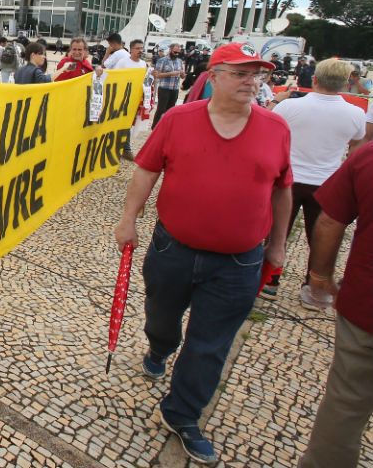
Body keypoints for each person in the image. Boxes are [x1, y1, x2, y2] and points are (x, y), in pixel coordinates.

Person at [114, 42, 292, 466]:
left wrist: (279, 243)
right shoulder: (178, 119)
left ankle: (183, 413)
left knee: (210, 343)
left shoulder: (276, 128)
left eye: (258, 74)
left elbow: (283, 188)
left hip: (238, 261)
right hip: (173, 248)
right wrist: (128, 219)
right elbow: (147, 168)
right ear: (213, 77)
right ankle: (159, 348)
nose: (252, 82)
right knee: (161, 318)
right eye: (241, 73)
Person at [261, 59, 365, 303]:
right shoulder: (355, 114)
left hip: (289, 178)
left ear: (314, 79)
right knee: (320, 238)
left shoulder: (290, 107)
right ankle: (313, 287)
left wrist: (278, 99)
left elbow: (266, 125)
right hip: (327, 181)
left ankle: (269, 281)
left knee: (277, 232)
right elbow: (356, 144)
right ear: (346, 83)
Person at [298, 142, 373, 468]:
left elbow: (330, 222)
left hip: (366, 306)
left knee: (346, 403)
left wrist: (320, 276)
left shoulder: (369, 156)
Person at [152, 42, 185, 127]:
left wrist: (182, 74)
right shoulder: (162, 60)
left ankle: (165, 127)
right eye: (175, 52)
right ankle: (155, 127)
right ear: (170, 49)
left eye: (178, 52)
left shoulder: (180, 61)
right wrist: (171, 73)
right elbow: (157, 75)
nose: (177, 54)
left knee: (170, 110)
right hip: (164, 88)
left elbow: (182, 76)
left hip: (175, 89)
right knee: (161, 109)